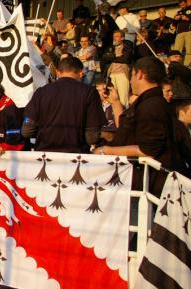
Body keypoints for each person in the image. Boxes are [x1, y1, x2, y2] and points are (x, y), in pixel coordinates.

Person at [94, 57, 186, 194]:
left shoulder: (152, 105)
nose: (130, 81)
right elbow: (126, 130)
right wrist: (115, 102)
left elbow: (148, 149)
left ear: (140, 74)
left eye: (131, 76)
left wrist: (106, 150)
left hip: (150, 185)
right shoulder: (148, 103)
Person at [23, 57, 106, 153]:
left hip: (45, 157)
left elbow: (27, 131)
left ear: (58, 72)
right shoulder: (90, 93)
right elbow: (92, 137)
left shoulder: (41, 92)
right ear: (80, 73)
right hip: (76, 158)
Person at [104, 30, 133, 107]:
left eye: (117, 36)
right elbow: (105, 58)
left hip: (122, 74)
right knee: (112, 96)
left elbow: (125, 59)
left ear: (122, 38)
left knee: (123, 97)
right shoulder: (110, 48)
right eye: (114, 36)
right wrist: (116, 58)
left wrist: (112, 58)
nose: (114, 38)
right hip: (111, 74)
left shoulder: (127, 47)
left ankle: (124, 115)